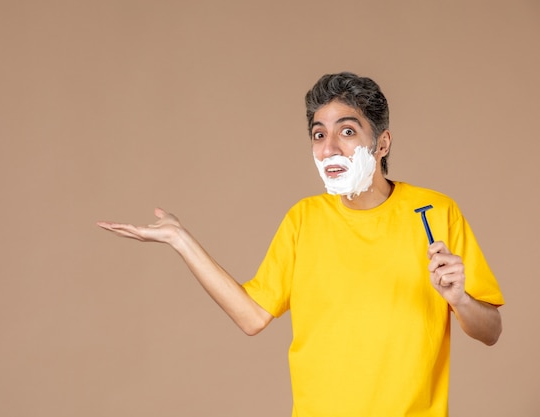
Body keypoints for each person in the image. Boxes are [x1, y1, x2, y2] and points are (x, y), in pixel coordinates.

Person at [97, 72, 504, 416]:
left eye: (347, 131)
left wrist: (460, 300)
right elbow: (252, 317)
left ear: (381, 144)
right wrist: (180, 240)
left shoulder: (436, 212)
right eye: (318, 134)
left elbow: (490, 331)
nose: (329, 148)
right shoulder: (303, 220)